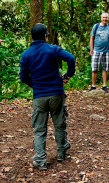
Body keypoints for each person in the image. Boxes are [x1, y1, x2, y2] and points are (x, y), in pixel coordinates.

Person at [20, 23, 75, 170]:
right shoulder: (52, 49)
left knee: (39, 129)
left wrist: (36, 85)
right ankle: (61, 153)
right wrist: (68, 75)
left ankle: (40, 159)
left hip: (39, 96)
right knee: (59, 125)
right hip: (56, 93)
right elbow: (70, 58)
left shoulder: (26, 55)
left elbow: (23, 77)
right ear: (45, 36)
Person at [89, 12, 109, 93]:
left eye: (106, 17)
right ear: (101, 18)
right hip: (96, 50)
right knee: (94, 68)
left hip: (107, 51)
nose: (105, 19)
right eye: (103, 17)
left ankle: (104, 85)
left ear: (108, 18)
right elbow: (92, 38)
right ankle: (93, 85)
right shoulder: (96, 26)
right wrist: (91, 49)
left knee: (105, 68)